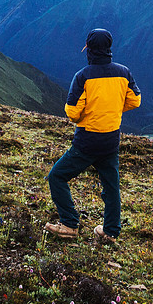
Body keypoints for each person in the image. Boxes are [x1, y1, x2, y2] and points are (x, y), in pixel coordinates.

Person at [44, 28, 141, 242]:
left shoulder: (83, 76)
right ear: (109, 48)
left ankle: (69, 224)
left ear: (88, 49)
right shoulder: (124, 72)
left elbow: (72, 112)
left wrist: (89, 115)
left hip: (86, 141)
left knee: (57, 176)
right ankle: (111, 232)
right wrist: (112, 109)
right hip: (110, 141)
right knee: (111, 187)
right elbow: (135, 100)